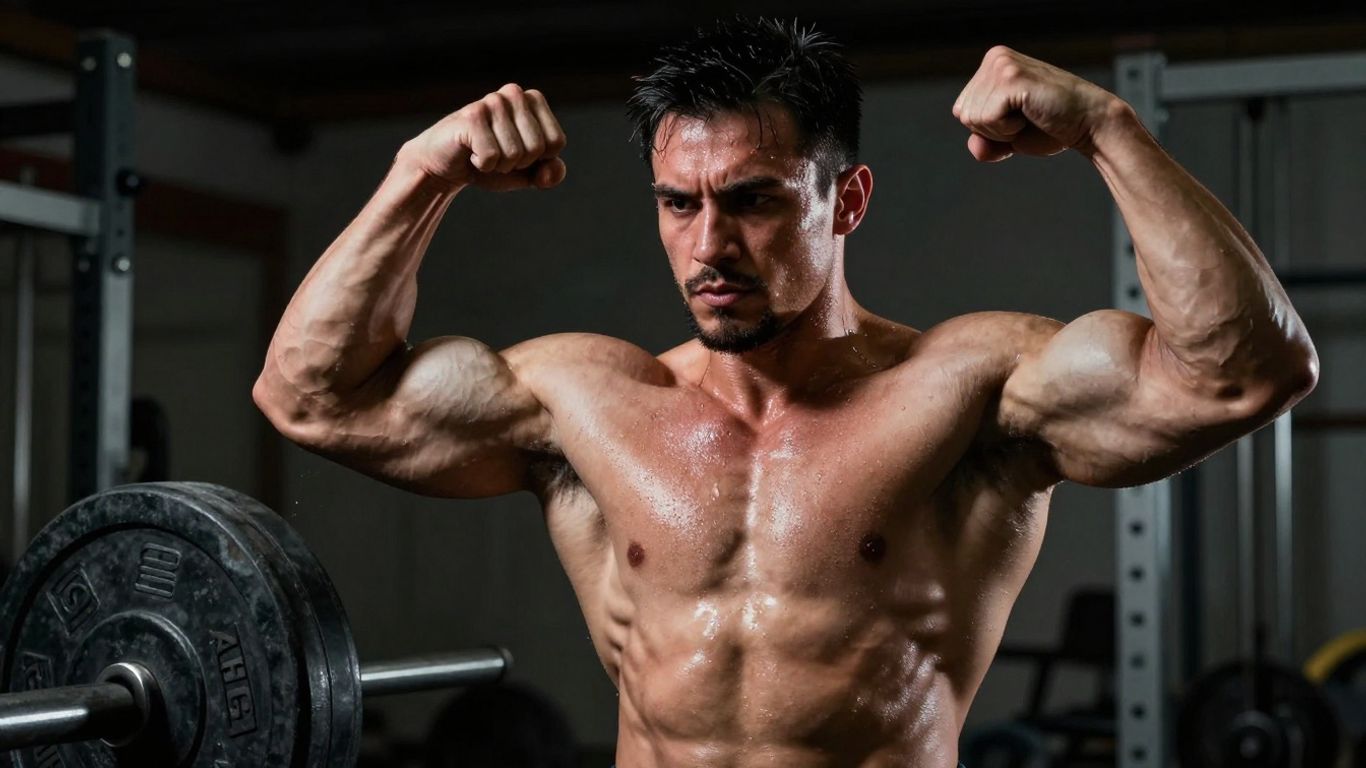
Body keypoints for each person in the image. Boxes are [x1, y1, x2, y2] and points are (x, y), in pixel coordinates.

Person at [253, 17, 1317, 768]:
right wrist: (419, 175)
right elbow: (311, 398)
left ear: (843, 199)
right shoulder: (579, 400)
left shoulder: (971, 391)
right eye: (678, 204)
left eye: (752, 202)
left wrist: (1107, 130)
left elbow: (1242, 372)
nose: (708, 245)